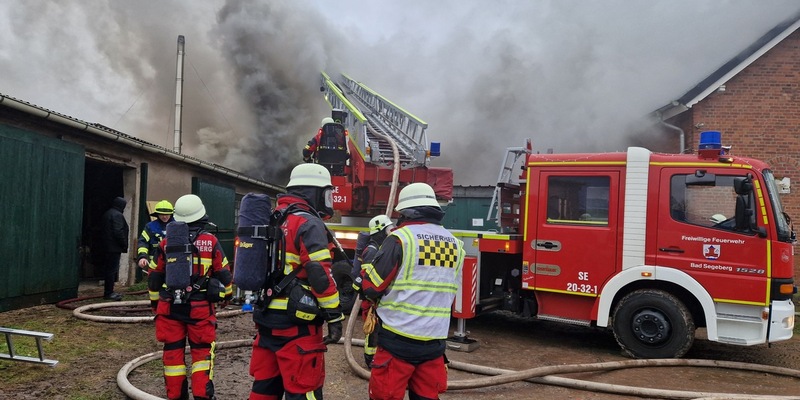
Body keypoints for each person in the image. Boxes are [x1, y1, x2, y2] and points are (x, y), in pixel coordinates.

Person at [359, 183, 465, 400]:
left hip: (397, 340)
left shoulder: (401, 239)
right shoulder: (456, 245)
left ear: (405, 211)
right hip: (434, 341)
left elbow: (371, 287)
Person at [248, 163, 344, 400]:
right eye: (327, 193)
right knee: (303, 390)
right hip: (297, 325)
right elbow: (319, 274)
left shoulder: (273, 218)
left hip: (266, 319)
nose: (328, 199)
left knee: (264, 387)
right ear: (313, 192)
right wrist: (334, 316)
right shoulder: (308, 223)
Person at [148, 194, 233, 400]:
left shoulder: (166, 243)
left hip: (169, 309)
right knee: (202, 354)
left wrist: (155, 304)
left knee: (173, 355)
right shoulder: (210, 241)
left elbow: (154, 278)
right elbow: (224, 273)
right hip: (200, 309)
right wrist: (227, 295)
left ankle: (176, 396)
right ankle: (202, 395)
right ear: (201, 216)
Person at [354, 214, 394, 367]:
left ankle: (375, 356)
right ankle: (370, 359)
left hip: (376, 299)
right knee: (372, 330)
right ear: (380, 231)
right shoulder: (371, 251)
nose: (390, 232)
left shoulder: (379, 248)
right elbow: (367, 278)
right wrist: (373, 299)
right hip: (370, 300)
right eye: (388, 229)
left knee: (378, 330)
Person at [100, 196, 129, 301]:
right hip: (113, 248)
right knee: (112, 271)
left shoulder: (108, 213)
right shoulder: (117, 215)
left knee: (109, 270)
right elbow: (118, 231)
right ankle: (109, 293)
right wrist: (124, 244)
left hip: (107, 246)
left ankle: (109, 292)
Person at [136, 200, 174, 275]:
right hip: (155, 265)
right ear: (157, 214)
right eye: (161, 214)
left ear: (171, 214)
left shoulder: (177, 227)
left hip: (173, 264)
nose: (164, 216)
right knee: (154, 286)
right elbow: (143, 242)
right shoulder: (150, 227)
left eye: (167, 214)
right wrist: (142, 257)